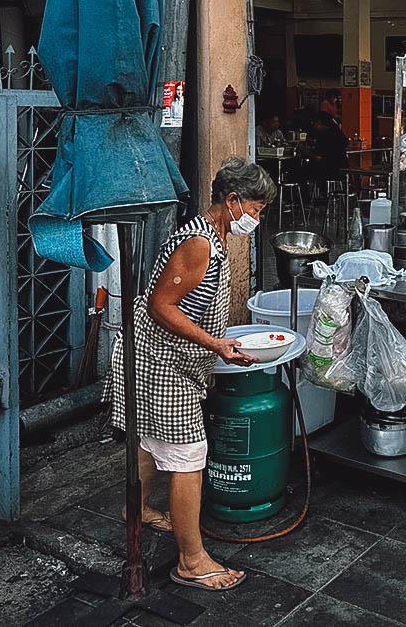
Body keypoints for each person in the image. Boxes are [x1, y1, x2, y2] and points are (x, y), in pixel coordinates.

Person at [104, 158, 276, 592]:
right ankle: (192, 561)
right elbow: (161, 306)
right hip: (157, 360)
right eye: (255, 210)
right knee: (188, 458)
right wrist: (217, 344)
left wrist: (218, 340)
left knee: (146, 440)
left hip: (175, 357)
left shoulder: (216, 237)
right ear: (232, 201)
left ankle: (136, 511)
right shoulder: (199, 242)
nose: (256, 219)